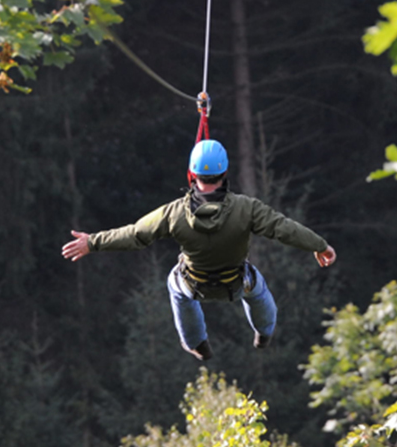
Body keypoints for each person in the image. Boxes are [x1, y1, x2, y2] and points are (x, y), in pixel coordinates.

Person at [61, 138, 336, 360]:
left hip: (195, 284)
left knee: (175, 286)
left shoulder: (174, 213)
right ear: (225, 173)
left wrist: (92, 242)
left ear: (191, 175)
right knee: (257, 286)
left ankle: (197, 344)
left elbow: (135, 234)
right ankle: (264, 333)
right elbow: (284, 228)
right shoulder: (247, 208)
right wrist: (319, 245)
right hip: (236, 282)